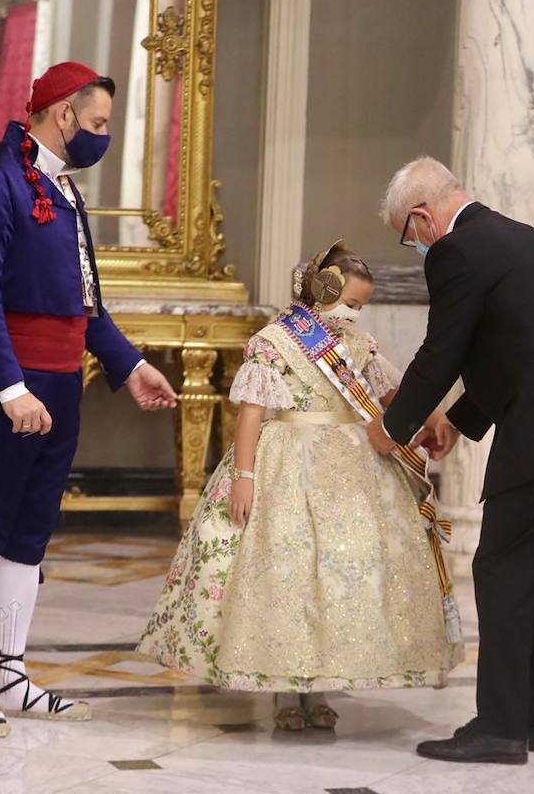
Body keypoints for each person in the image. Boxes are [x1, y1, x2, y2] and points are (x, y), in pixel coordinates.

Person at [0, 62, 178, 738]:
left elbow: (87, 305)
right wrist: (11, 388)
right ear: (64, 114)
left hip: (63, 386)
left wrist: (131, 367)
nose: (102, 136)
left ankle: (7, 673)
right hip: (5, 388)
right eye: (97, 123)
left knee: (29, 536)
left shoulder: (64, 190)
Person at [372, 157, 534, 765]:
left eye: (407, 235)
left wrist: (392, 426)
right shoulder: (521, 238)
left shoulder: (456, 251)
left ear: (422, 216)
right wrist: (456, 423)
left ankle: (498, 728)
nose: (414, 246)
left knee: (501, 569)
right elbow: (514, 351)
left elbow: (443, 351)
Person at [138, 241, 463, 731]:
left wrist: (435, 413)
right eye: (351, 303)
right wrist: (244, 478)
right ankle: (285, 691)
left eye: (361, 307)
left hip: (353, 464)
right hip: (287, 462)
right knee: (287, 571)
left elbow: (393, 390)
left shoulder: (357, 345)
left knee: (339, 576)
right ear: (325, 290)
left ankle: (324, 685)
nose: (355, 315)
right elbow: (251, 414)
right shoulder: (277, 341)